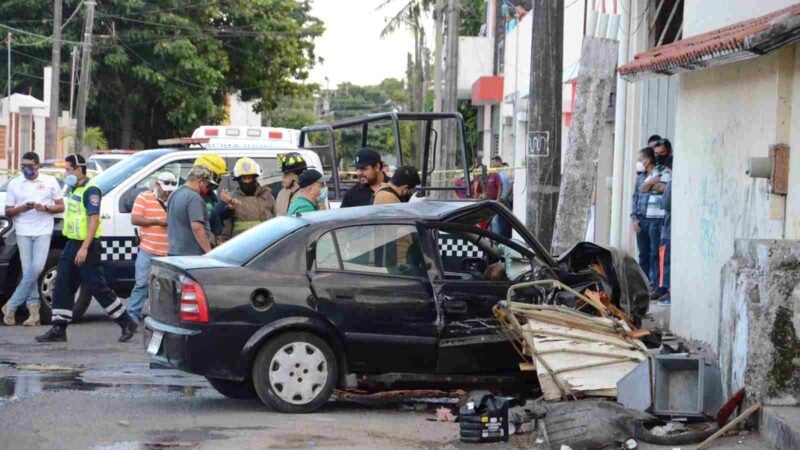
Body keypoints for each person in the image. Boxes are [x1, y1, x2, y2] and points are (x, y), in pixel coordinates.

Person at [35, 154, 138, 343]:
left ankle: (126, 322)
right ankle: (59, 328)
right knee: (62, 284)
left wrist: (84, 248)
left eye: (68, 169)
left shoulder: (91, 190)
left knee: (97, 286)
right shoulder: (76, 189)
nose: (66, 173)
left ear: (79, 169)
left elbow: (94, 220)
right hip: (72, 244)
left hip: (86, 247)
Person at [2, 152, 64, 326]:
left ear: (38, 166)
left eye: (29, 165)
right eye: (23, 166)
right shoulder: (15, 183)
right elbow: (8, 211)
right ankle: (34, 310)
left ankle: (11, 305)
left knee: (36, 268)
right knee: (28, 269)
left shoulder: (50, 181)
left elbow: (60, 206)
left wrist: (44, 208)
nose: (25, 169)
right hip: (23, 231)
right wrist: (22, 208)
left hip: (43, 230)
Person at [126, 172, 176, 323]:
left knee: (166, 289)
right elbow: (135, 219)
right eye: (164, 189)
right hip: (147, 250)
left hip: (168, 252)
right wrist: (158, 221)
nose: (167, 192)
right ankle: (131, 318)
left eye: (170, 190)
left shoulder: (174, 198)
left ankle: (162, 319)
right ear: (157, 185)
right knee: (141, 284)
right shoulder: (144, 197)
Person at [216, 157, 276, 238]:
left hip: (265, 244)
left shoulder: (267, 197)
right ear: (238, 180)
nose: (247, 182)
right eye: (244, 178)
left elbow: (276, 222)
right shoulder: (232, 199)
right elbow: (226, 227)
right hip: (242, 246)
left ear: (255, 178)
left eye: (249, 178)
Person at [167, 165, 216, 256]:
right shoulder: (194, 197)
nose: (208, 189)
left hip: (173, 252)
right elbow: (197, 227)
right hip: (191, 255)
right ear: (200, 181)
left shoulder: (174, 194)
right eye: (207, 185)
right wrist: (209, 252)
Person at [631, 147, 661, 287]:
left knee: (654, 253)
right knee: (643, 255)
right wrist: (634, 218)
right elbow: (636, 197)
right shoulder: (640, 177)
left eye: (640, 159)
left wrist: (651, 184)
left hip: (655, 220)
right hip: (641, 220)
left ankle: (655, 284)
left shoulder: (658, 174)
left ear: (648, 160)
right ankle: (644, 285)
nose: (639, 162)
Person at [192, 154, 227, 245]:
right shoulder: (194, 196)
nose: (219, 181)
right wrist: (222, 202)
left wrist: (229, 209)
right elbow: (206, 220)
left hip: (215, 241)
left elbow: (218, 216)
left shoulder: (209, 193)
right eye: (217, 177)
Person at [658, 180, 672, 304]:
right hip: (671, 232)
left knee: (665, 263)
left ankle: (668, 293)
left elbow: (665, 204)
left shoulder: (671, 183)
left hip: (668, 232)